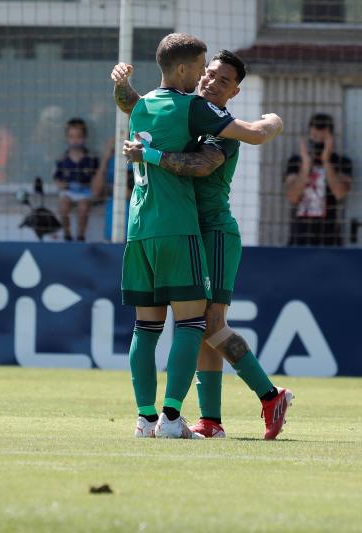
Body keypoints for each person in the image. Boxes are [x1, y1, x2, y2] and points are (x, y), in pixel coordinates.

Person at [110, 33, 283, 439]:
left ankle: (259, 398)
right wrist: (122, 87)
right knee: (198, 324)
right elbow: (136, 106)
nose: (211, 81)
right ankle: (194, 418)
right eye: (208, 72)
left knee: (207, 323)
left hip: (208, 231)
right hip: (179, 228)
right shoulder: (188, 109)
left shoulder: (210, 121)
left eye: (223, 80)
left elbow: (205, 162)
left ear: (235, 91)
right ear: (192, 72)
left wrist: (272, 120)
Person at [284, 113, 353, 246]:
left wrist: (326, 161)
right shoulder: (296, 161)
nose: (318, 141)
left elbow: (340, 193)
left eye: (323, 138)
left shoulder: (342, 162)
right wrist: (305, 165)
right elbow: (292, 196)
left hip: (330, 237)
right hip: (300, 236)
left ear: (330, 137)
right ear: (309, 135)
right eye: (315, 137)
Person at [53, 118, 99, 242]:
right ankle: (67, 234)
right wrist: (61, 185)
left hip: (85, 191)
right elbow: (57, 177)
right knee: (63, 206)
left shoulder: (91, 158)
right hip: (68, 191)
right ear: (67, 138)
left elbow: (96, 177)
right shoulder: (62, 159)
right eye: (71, 136)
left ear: (85, 137)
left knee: (83, 207)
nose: (75, 140)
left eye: (79, 136)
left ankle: (80, 236)